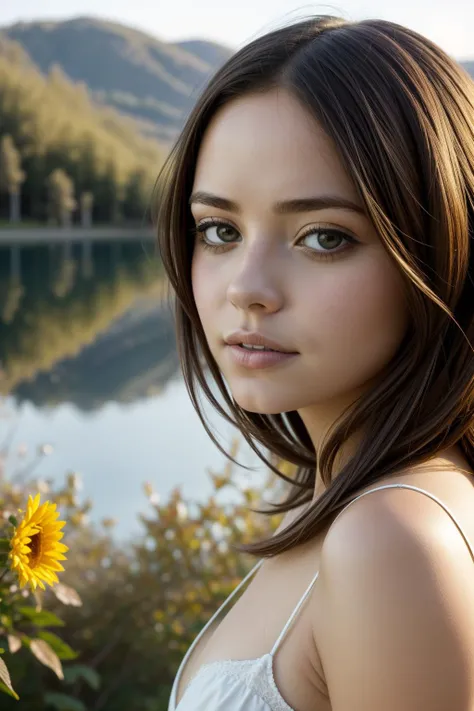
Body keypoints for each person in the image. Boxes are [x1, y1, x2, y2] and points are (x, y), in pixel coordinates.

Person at [154, 14, 474, 711]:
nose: (246, 288)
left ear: (441, 248)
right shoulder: (346, 500)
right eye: (219, 230)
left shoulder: (391, 539)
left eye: (324, 236)